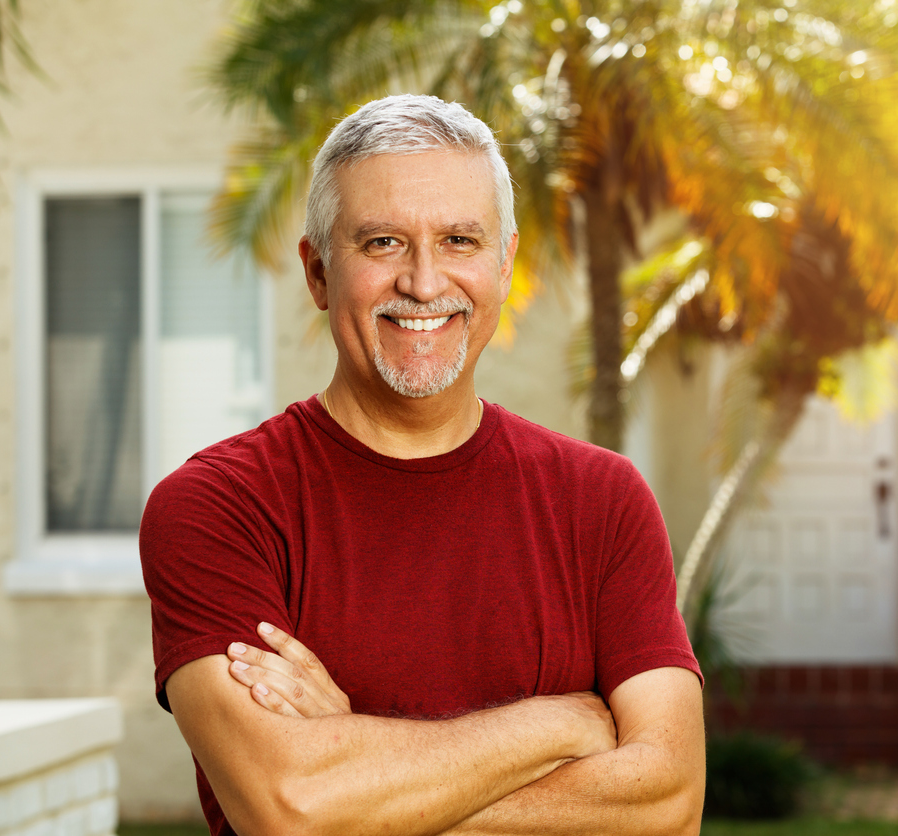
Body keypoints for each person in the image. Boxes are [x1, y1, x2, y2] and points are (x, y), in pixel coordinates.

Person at [140, 94, 705, 836]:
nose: (424, 282)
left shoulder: (601, 500)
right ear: (317, 273)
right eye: (382, 243)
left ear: (503, 266)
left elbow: (668, 801)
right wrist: (561, 726)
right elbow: (291, 808)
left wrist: (360, 766)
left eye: (460, 241)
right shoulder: (219, 508)